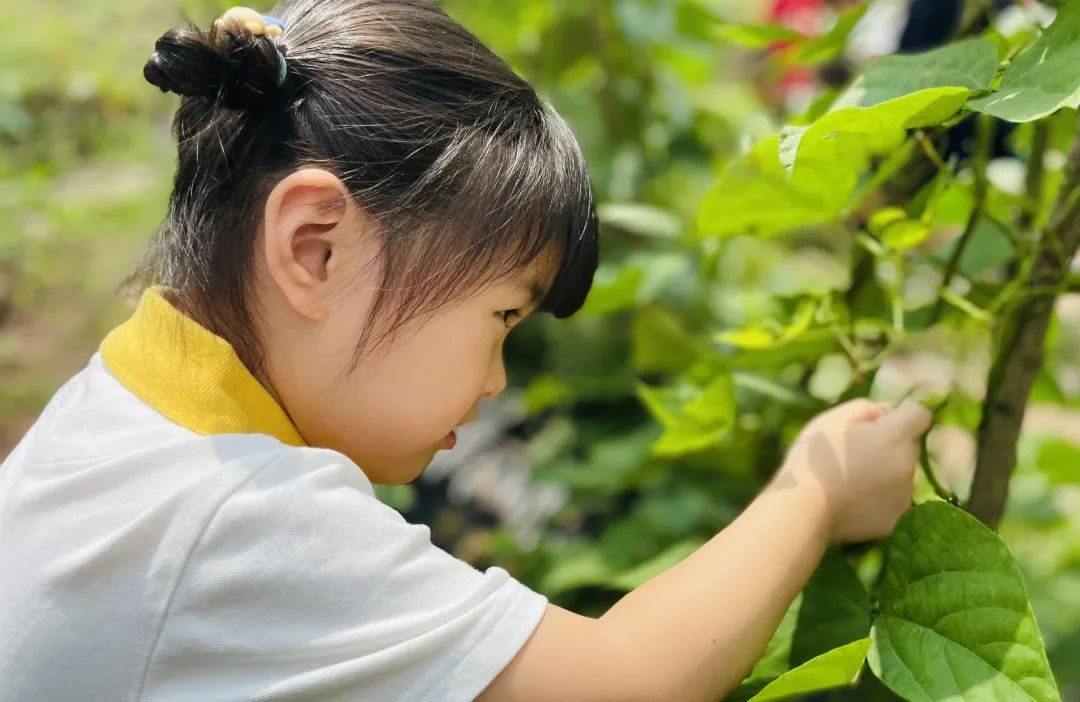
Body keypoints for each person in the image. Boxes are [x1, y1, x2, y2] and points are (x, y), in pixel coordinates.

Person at [0, 2, 932, 700]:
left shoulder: (122, 412)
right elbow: (626, 683)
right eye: (502, 320)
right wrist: (817, 489)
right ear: (314, 246)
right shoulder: (235, 518)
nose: (493, 383)